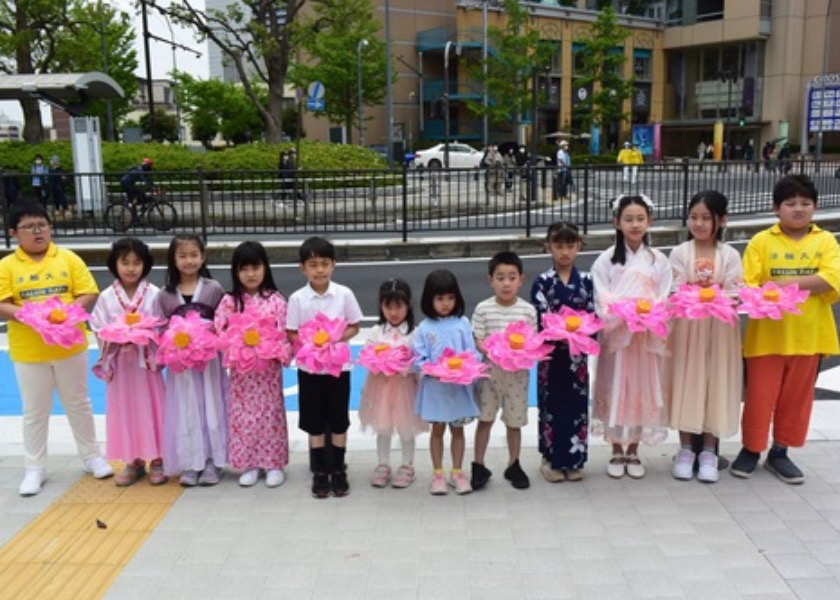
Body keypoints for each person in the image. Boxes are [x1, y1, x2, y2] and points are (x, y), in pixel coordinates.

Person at [731, 175, 840, 484]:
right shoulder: (761, 242)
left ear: (815, 208)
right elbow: (748, 285)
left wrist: (781, 285)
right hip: (766, 337)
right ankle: (751, 449)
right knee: (758, 398)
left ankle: (780, 452)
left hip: (810, 337)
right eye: (790, 203)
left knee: (797, 399)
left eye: (805, 203)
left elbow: (831, 280)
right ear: (776, 208)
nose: (798, 209)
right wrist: (804, 283)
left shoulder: (826, 241)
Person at [0, 202, 113, 496]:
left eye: (42, 225)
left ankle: (92, 456)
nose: (37, 231)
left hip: (70, 347)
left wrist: (65, 315)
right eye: (29, 226)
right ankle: (34, 468)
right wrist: (28, 316)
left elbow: (88, 292)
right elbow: (2, 303)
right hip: (29, 351)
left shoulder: (68, 258)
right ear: (14, 233)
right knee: (34, 411)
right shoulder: (7, 266)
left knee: (78, 402)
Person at [664, 191, 743, 483]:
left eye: (706, 218)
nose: (698, 223)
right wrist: (700, 297)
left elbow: (736, 291)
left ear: (721, 220)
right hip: (687, 328)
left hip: (720, 330)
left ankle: (709, 450)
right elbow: (675, 289)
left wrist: (716, 298)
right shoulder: (680, 253)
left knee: (715, 383)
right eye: (694, 217)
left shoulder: (730, 254)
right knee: (688, 380)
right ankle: (686, 448)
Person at [591, 194, 672, 479]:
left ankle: (634, 449)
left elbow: (664, 296)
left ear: (649, 221)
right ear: (617, 223)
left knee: (641, 389)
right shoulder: (605, 261)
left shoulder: (659, 261)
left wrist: (648, 312)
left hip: (643, 338)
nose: (635, 225)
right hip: (618, 336)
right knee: (615, 386)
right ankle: (616, 448)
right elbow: (602, 297)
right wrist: (624, 312)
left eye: (640, 219)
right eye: (628, 219)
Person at [286, 236, 362, 498]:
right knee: (314, 422)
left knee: (339, 420)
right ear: (302, 268)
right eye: (313, 264)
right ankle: (319, 471)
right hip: (310, 370)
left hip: (339, 368)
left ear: (334, 265)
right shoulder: (298, 299)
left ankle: (338, 469)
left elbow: (355, 325)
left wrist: (335, 338)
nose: (319, 270)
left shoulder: (344, 294)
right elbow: (292, 332)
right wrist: (310, 343)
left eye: (324, 264)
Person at [90, 238, 167, 487]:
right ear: (115, 264)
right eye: (125, 262)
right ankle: (132, 460)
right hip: (121, 365)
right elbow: (98, 327)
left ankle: (158, 457)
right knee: (124, 410)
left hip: (146, 364)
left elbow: (163, 325)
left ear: (145, 265)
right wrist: (116, 336)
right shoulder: (106, 297)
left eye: (137, 262)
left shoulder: (155, 294)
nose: (131, 268)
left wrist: (146, 335)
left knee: (153, 407)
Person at [214, 241, 290, 488]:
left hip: (267, 371)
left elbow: (284, 332)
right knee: (244, 417)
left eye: (256, 267)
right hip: (242, 373)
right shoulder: (229, 301)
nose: (250, 274)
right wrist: (236, 344)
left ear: (265, 268)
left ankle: (274, 463)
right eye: (244, 268)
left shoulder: (276, 300)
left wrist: (276, 350)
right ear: (236, 272)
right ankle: (249, 463)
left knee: (271, 415)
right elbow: (220, 330)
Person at [156, 235, 227, 487]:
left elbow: (223, 323)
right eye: (183, 256)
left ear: (203, 257)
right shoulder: (164, 295)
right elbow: (159, 328)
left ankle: (212, 460)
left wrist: (206, 336)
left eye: (194, 255)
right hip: (181, 367)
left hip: (209, 363)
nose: (189, 261)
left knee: (211, 405)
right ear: (173, 259)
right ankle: (190, 461)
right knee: (185, 408)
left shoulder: (213, 288)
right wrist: (174, 340)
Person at [530, 221, 594, 483]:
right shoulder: (542, 282)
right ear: (549, 247)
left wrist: (579, 334)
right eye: (559, 246)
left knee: (577, 405)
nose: (565, 252)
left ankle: (574, 459)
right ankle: (551, 458)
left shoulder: (588, 281)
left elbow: (593, 314)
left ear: (578, 246)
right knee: (551, 404)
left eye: (570, 245)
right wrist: (561, 334)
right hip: (552, 355)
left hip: (577, 355)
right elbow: (541, 315)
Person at [470, 251, 538, 491]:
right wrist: (493, 349)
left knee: (514, 421)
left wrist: (519, 351)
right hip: (489, 373)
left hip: (517, 375)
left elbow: (532, 341)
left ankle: (514, 463)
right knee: (485, 419)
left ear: (521, 279)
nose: (506, 283)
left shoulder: (528, 310)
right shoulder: (483, 309)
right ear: (491, 280)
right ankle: (478, 464)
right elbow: (478, 338)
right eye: (500, 277)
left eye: (512, 277)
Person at [413, 269, 480, 495]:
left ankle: (457, 472)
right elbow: (419, 358)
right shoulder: (424, 328)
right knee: (438, 430)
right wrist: (432, 370)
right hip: (436, 389)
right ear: (429, 299)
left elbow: (472, 352)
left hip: (458, 387)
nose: (445, 303)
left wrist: (468, 367)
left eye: (450, 298)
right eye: (440, 298)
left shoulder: (462, 323)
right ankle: (438, 473)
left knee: (458, 430)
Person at [358, 278, 426, 489]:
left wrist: (407, 365)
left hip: (405, 387)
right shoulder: (377, 331)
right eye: (389, 306)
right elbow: (367, 355)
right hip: (382, 386)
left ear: (409, 306)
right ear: (381, 306)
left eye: (399, 306)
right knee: (383, 426)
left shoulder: (414, 333)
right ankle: (383, 464)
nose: (394, 312)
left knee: (406, 427)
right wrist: (379, 360)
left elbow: (419, 361)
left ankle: (407, 465)